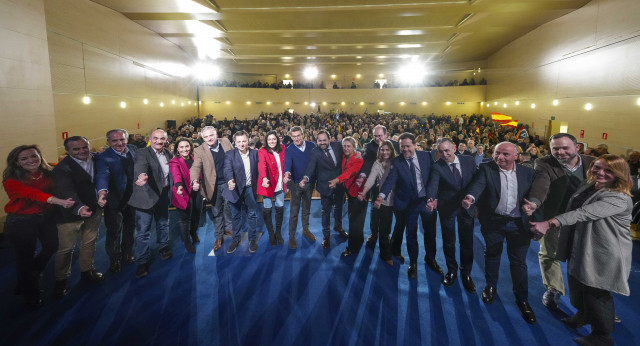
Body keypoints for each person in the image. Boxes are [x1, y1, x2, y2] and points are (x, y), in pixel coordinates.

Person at [530, 155, 633, 346]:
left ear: (619, 175)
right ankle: (582, 315)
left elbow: (584, 213)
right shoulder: (590, 184)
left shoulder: (619, 197)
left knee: (596, 292)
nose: (600, 173)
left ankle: (602, 336)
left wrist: (549, 223)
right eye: (597, 167)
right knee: (578, 283)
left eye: (608, 171)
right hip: (582, 245)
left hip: (603, 252)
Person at [462, 141, 538, 324]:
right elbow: (477, 186)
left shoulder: (528, 173)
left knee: (518, 262)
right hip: (494, 222)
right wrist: (470, 198)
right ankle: (490, 287)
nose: (499, 157)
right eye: (497, 153)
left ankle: (522, 299)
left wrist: (537, 222)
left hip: (519, 225)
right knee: (492, 255)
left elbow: (536, 197)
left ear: (516, 156)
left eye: (505, 154)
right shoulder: (487, 168)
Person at [521, 133, 595, 311]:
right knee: (549, 253)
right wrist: (535, 202)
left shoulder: (593, 162)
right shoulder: (544, 162)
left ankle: (594, 300)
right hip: (554, 216)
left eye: (565, 148)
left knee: (585, 256)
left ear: (577, 148)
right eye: (555, 148)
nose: (560, 152)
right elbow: (541, 184)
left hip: (586, 217)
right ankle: (553, 289)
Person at [3, 145, 74, 307]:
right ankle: (31, 294)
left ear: (40, 156)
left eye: (34, 156)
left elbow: (69, 167)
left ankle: (27, 277)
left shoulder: (48, 170)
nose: (31, 160)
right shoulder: (12, 180)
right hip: (21, 221)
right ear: (17, 162)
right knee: (25, 258)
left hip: (45, 217)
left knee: (52, 246)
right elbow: (35, 194)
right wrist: (60, 202)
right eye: (24, 158)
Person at [376, 132, 435, 278]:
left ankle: (431, 259)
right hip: (409, 204)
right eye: (402, 147)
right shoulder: (397, 161)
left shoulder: (426, 156)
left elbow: (434, 178)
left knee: (430, 233)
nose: (405, 149)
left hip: (426, 201)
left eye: (408, 146)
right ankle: (413, 263)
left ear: (415, 145)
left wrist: (434, 197)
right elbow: (391, 180)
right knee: (411, 234)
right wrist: (381, 196)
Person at [52, 136, 104, 299]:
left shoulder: (97, 158)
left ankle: (87, 270)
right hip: (69, 214)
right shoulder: (61, 169)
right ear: (67, 151)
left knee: (89, 242)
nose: (82, 151)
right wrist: (79, 208)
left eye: (84, 147)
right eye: (76, 149)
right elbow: (66, 191)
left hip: (94, 209)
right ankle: (61, 280)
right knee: (66, 249)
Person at [426, 138, 477, 292]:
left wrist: (475, 201)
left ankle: (466, 273)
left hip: (467, 207)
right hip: (447, 207)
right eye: (441, 151)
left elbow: (477, 182)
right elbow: (433, 185)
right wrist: (431, 199)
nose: (445, 154)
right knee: (449, 241)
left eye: (447, 150)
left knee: (467, 241)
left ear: (454, 148)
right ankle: (452, 270)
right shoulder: (437, 166)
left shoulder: (469, 160)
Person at [128, 129, 174, 278]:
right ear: (150, 139)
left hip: (163, 195)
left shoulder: (168, 153)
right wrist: (141, 176)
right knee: (143, 231)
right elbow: (141, 166)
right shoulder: (142, 152)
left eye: (162, 139)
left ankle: (163, 246)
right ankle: (142, 261)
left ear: (166, 140)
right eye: (155, 138)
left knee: (163, 223)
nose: (159, 141)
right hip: (146, 196)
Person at [96, 129, 137, 273]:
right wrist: (102, 192)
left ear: (127, 139)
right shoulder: (104, 157)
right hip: (114, 201)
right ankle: (114, 259)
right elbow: (102, 176)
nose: (119, 143)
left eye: (122, 139)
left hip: (132, 199)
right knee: (114, 231)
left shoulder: (133, 149)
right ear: (108, 142)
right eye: (115, 141)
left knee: (130, 228)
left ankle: (127, 253)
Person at [355, 125, 400, 253]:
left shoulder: (397, 145)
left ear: (386, 135)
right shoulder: (370, 147)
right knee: (375, 212)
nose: (377, 138)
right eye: (375, 136)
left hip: (396, 190)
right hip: (376, 185)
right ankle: (374, 234)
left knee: (393, 216)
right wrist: (363, 176)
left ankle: (390, 240)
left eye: (379, 136)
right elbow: (368, 163)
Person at [189, 126, 234, 252]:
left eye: (211, 135)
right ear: (202, 138)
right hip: (211, 185)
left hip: (228, 182)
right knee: (216, 211)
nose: (209, 138)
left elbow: (234, 157)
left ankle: (228, 228)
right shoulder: (199, 150)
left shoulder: (225, 141)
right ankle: (219, 236)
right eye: (206, 137)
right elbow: (195, 167)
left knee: (229, 206)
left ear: (216, 134)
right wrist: (194, 180)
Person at [301, 130, 348, 249]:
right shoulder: (314, 152)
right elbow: (311, 167)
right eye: (320, 141)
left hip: (339, 184)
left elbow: (349, 151)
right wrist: (306, 178)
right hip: (325, 185)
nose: (322, 143)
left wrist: (357, 154)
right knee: (325, 212)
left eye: (324, 140)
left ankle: (338, 226)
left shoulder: (338, 145)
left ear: (330, 139)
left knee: (339, 207)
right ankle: (326, 236)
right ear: (317, 141)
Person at [358, 140, 396, 265]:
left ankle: (386, 254)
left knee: (385, 229)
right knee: (375, 220)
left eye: (387, 150)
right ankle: (373, 236)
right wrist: (363, 192)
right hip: (379, 197)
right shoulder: (377, 162)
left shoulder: (396, 162)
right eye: (382, 150)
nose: (384, 152)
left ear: (391, 150)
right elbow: (371, 179)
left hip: (392, 199)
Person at [224, 130, 260, 254]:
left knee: (252, 215)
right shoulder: (229, 154)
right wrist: (230, 180)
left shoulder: (256, 153)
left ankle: (252, 239)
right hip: (234, 189)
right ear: (235, 142)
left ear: (248, 140)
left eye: (244, 141)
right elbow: (227, 170)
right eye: (239, 142)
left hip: (250, 188)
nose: (242, 144)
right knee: (236, 216)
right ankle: (236, 239)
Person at [328, 137, 364, 257]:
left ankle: (352, 248)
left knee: (354, 221)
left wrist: (337, 180)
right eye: (344, 146)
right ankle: (359, 240)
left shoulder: (358, 159)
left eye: (349, 146)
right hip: (349, 191)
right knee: (355, 218)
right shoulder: (343, 156)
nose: (346, 148)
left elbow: (350, 173)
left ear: (354, 147)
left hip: (358, 193)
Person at [283, 126, 317, 249]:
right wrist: (287, 173)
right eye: (294, 136)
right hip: (295, 184)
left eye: (298, 135)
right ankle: (292, 236)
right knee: (294, 211)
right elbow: (287, 163)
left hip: (309, 183)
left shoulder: (312, 145)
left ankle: (305, 230)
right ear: (291, 137)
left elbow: (315, 163)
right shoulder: (289, 149)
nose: (296, 138)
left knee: (306, 209)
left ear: (303, 135)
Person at [169, 137, 202, 254]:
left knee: (196, 215)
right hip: (182, 192)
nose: (185, 149)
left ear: (191, 147)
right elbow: (176, 175)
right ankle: (187, 241)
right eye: (181, 147)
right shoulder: (174, 161)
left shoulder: (194, 158)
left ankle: (193, 233)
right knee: (185, 219)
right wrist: (178, 186)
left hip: (196, 191)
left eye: (187, 146)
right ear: (177, 149)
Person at [257, 131, 287, 246]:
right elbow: (261, 165)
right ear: (266, 141)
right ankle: (271, 233)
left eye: (274, 139)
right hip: (268, 184)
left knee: (280, 208)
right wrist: (264, 178)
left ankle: (278, 233)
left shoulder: (283, 148)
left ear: (277, 140)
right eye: (269, 139)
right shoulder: (262, 150)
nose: (272, 141)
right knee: (267, 209)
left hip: (280, 183)